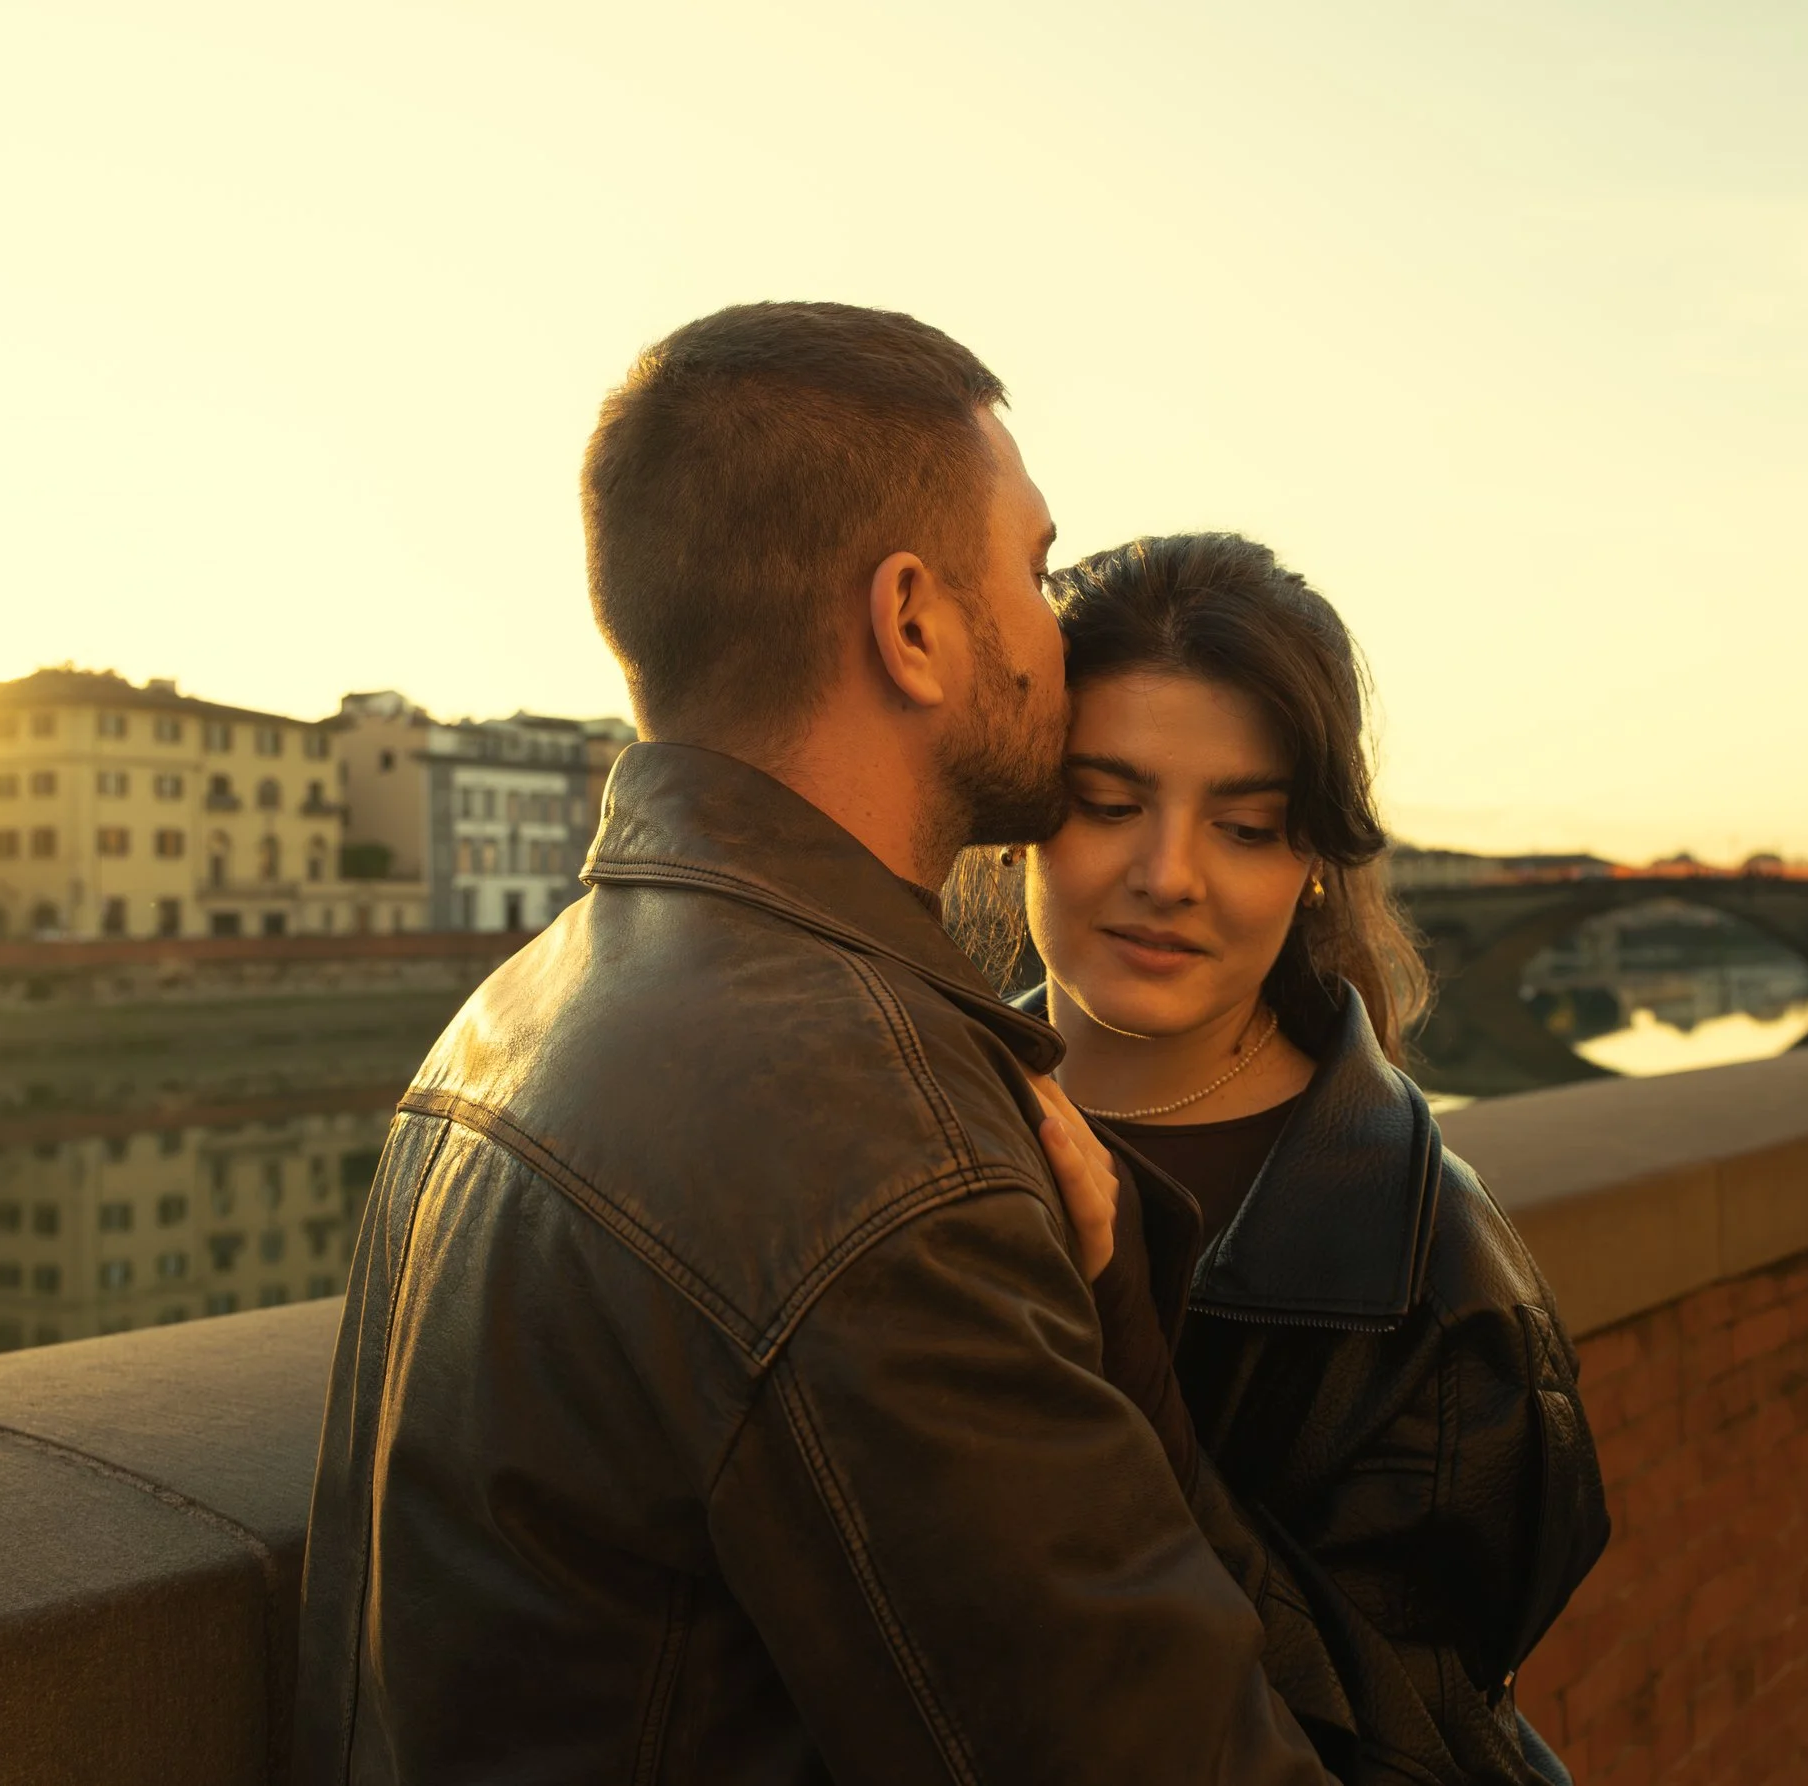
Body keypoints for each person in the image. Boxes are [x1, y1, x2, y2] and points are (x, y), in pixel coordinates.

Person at [293, 308, 1339, 1784]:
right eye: (1035, 573)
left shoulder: (505, 1015)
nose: (1062, 630)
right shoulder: (873, 1144)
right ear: (912, 622)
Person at [966, 532, 1610, 1786]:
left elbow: (1396, 1747)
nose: (1168, 877)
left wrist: (1125, 1351)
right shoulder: (886, 1112)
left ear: (1312, 863)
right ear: (1017, 822)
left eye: (1247, 826)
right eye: (1107, 804)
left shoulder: (1437, 1282)